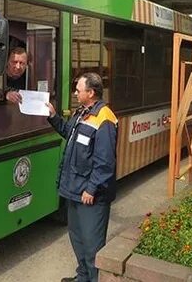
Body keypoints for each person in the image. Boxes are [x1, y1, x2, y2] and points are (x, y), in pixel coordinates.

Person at [46, 72, 118, 282]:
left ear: (91, 92)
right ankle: (83, 277)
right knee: (77, 239)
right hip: (74, 189)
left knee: (92, 244)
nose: (75, 93)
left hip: (90, 195)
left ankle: (94, 279)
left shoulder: (105, 118)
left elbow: (105, 163)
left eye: (79, 90)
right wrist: (52, 116)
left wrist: (92, 188)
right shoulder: (82, 113)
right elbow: (67, 132)